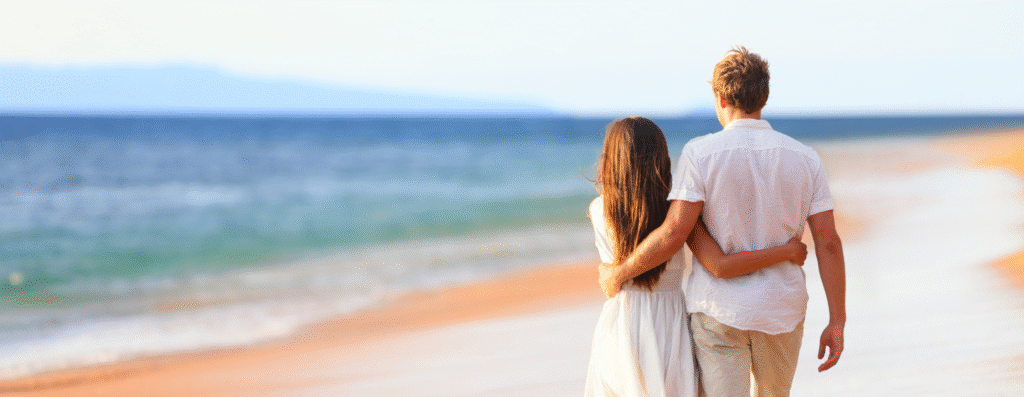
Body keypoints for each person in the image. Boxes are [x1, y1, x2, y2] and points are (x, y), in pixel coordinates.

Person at [598, 48, 847, 397]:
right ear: (763, 96)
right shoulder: (805, 158)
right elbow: (828, 242)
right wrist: (837, 321)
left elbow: (673, 233)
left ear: (720, 97)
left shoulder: (700, 154)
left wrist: (619, 272)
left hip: (720, 312)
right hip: (781, 310)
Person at [584, 116, 809, 397]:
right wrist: (786, 251)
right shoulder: (677, 214)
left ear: (611, 158)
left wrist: (615, 275)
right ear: (660, 159)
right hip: (669, 324)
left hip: (620, 324)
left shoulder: (598, 209)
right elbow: (720, 264)